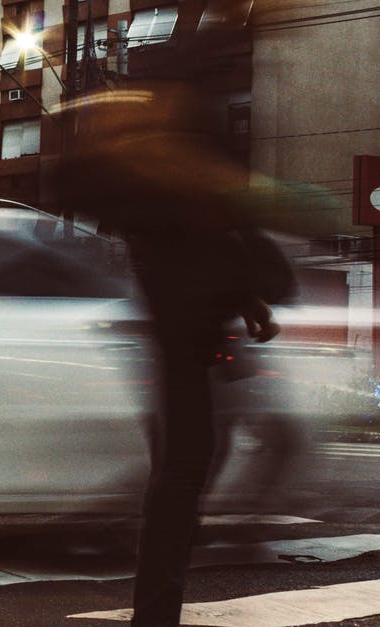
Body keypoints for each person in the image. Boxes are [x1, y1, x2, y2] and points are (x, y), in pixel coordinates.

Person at [54, 79, 297, 625]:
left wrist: (246, 295)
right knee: (183, 472)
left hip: (191, 329)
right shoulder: (166, 173)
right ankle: (156, 611)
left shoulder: (150, 186)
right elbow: (204, 237)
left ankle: (158, 605)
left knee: (184, 467)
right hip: (187, 332)